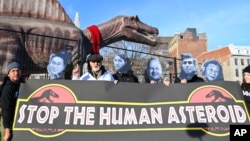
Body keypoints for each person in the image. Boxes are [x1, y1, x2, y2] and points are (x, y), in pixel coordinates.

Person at [1, 61, 22, 141]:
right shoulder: (7, 89)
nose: (16, 73)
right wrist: (7, 130)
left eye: (18, 70)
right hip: (9, 124)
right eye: (13, 71)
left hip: (19, 122)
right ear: (8, 74)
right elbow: (6, 109)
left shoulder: (21, 85)